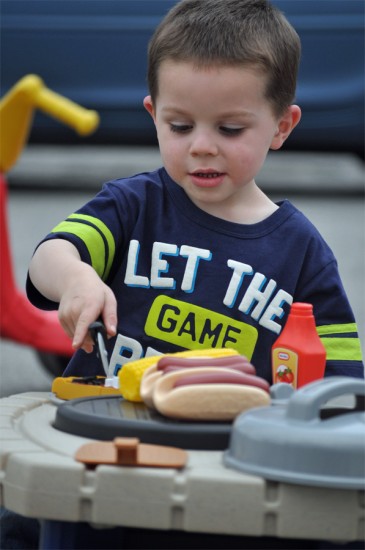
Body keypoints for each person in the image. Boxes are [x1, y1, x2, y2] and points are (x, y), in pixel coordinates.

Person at [27, 0, 363, 383]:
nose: (201, 146)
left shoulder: (302, 252)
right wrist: (75, 279)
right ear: (154, 116)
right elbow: (50, 256)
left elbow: (340, 382)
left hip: (228, 440)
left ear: (282, 126)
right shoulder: (133, 206)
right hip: (105, 426)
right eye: (181, 127)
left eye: (230, 129)